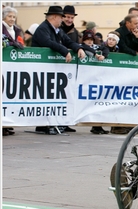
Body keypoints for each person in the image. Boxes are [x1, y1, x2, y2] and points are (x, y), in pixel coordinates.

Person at [32, 5, 86, 135]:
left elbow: (67, 41)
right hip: (40, 66)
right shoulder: (42, 29)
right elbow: (48, 42)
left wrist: (78, 48)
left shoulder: (58, 30)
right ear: (55, 17)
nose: (62, 20)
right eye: (61, 17)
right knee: (42, 94)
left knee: (50, 94)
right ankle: (42, 124)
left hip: (52, 68)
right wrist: (64, 51)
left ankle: (50, 122)